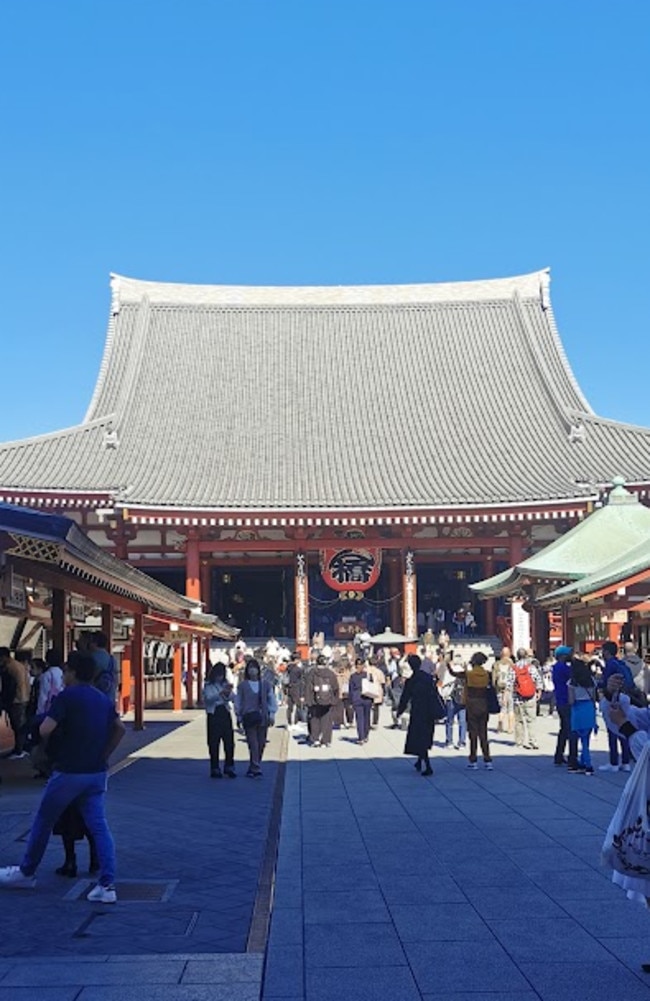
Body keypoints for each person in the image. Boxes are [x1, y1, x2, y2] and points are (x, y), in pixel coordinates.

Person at [0, 651, 125, 903]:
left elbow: (46, 729)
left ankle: (26, 871)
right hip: (96, 772)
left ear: (73, 672)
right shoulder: (102, 699)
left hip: (68, 771)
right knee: (98, 825)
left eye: (67, 670)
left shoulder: (66, 698)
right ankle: (107, 884)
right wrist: (104, 755)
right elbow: (119, 728)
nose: (64, 674)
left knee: (44, 820)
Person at [396, 654, 444, 775]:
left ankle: (428, 766)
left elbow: (405, 697)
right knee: (424, 737)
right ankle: (419, 761)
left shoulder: (412, 680)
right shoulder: (428, 678)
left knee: (419, 738)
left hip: (418, 712)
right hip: (429, 712)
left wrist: (400, 711)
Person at [234, 659, 276, 778]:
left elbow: (271, 699)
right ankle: (256, 767)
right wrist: (238, 716)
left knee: (261, 743)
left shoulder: (265, 684)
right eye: (250, 668)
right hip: (248, 716)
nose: (253, 670)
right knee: (253, 743)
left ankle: (254, 766)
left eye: (255, 668)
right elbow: (239, 701)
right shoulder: (242, 686)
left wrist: (272, 714)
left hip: (263, 717)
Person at [453, 652, 494, 770]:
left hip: (472, 705)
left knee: (473, 734)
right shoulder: (487, 674)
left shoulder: (469, 675)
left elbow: (454, 673)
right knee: (483, 734)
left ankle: (473, 759)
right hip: (484, 704)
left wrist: (448, 663)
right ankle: (488, 760)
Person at [598, 640, 634, 772]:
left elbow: (605, 684)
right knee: (623, 729)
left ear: (606, 652)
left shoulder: (610, 665)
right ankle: (625, 762)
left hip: (612, 699)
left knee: (612, 730)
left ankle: (613, 762)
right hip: (625, 698)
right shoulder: (621, 663)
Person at [203, 662, 236, 778]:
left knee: (229, 741)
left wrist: (228, 693)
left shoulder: (225, 684)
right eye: (218, 674)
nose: (220, 677)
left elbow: (233, 697)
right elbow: (208, 699)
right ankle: (215, 767)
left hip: (225, 711)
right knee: (213, 741)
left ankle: (229, 765)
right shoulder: (208, 685)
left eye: (222, 674)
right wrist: (220, 694)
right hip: (214, 713)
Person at [567, 659, 597, 775]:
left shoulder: (572, 682)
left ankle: (586, 764)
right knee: (586, 739)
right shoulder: (591, 681)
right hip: (589, 708)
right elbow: (594, 698)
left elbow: (571, 700)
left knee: (578, 737)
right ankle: (585, 762)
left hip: (578, 709)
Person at [0, 647, 31, 758]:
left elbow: (10, 687)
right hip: (23, 698)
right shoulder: (17, 665)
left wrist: (5, 701)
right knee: (19, 725)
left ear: (4, 657)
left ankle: (19, 750)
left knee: (18, 726)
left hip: (16, 700)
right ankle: (20, 748)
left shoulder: (9, 668)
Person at [508, 648, 542, 750]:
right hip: (530, 696)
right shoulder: (531, 667)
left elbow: (509, 682)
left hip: (518, 697)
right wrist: (539, 691)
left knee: (519, 720)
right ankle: (532, 741)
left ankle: (519, 741)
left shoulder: (513, 668)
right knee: (531, 720)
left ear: (517, 656)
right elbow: (538, 680)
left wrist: (509, 693)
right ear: (526, 656)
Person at [552, 646, 579, 768]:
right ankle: (572, 758)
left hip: (560, 700)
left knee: (563, 729)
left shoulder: (556, 667)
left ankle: (559, 755)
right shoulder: (564, 668)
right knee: (571, 729)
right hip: (567, 700)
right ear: (563, 656)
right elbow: (575, 677)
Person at [304, 655, 339, 748]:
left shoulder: (312, 673)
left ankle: (315, 739)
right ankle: (326, 740)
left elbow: (308, 687)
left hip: (315, 700)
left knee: (315, 720)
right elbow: (335, 687)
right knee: (327, 721)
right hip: (328, 700)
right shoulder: (330, 673)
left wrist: (308, 700)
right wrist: (334, 700)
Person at [348, 657, 374, 745]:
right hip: (366, 698)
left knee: (360, 718)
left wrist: (351, 701)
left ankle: (362, 737)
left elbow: (351, 690)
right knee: (365, 718)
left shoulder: (353, 676)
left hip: (357, 698)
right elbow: (372, 688)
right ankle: (364, 735)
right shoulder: (368, 675)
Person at [88, 632, 117, 705]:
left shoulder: (91, 658)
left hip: (94, 696)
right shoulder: (112, 659)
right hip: (109, 695)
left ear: (95, 643)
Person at [37, 649, 65, 716]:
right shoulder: (63, 673)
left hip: (49, 709)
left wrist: (39, 712)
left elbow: (43, 696)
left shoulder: (47, 675)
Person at [493, 647, 514, 734]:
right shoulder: (512, 664)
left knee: (502, 708)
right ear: (509, 654)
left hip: (499, 688)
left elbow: (494, 678)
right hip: (509, 689)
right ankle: (510, 728)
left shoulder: (496, 664)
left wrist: (495, 686)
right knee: (510, 708)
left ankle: (500, 726)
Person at [284, 654, 306, 729]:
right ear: (296, 660)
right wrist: (302, 693)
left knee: (290, 706)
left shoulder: (288, 667)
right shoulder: (298, 669)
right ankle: (294, 723)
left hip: (289, 687)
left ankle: (289, 723)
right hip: (296, 688)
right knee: (297, 705)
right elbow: (302, 680)